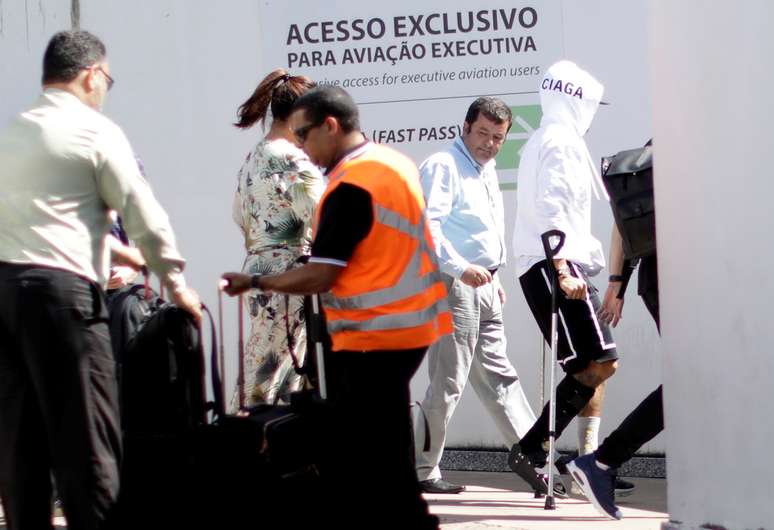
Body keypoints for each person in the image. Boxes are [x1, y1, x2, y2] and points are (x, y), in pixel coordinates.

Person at [222, 86, 451, 529]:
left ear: (331, 125)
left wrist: (257, 280)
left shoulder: (350, 185)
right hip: (409, 327)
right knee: (384, 443)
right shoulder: (392, 162)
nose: (302, 146)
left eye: (305, 134)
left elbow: (322, 273)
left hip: (371, 333)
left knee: (358, 451)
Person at [0, 30, 201, 530]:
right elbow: (142, 213)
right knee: (87, 436)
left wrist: (114, 250)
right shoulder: (94, 131)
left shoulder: (13, 132)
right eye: (107, 78)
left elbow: (43, 218)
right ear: (92, 74)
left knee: (20, 440)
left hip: (5, 296)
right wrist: (176, 283)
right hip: (64, 297)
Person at [413, 97, 538, 494]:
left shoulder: (485, 168)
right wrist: (460, 268)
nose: (489, 143)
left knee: (501, 376)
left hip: (483, 284)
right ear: (465, 127)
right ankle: (421, 471)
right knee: (448, 382)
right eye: (482, 133)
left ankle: (535, 458)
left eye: (498, 137)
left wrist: (493, 274)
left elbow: (481, 230)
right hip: (454, 283)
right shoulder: (443, 165)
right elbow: (427, 227)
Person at [509, 60, 619, 496]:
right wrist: (561, 269)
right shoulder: (558, 141)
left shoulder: (551, 138)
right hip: (553, 263)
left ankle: (539, 450)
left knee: (594, 363)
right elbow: (552, 205)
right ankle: (533, 449)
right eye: (591, 102)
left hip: (556, 261)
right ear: (576, 99)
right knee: (599, 361)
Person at [567, 176, 663, 520]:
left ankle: (602, 461)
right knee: (694, 380)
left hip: (705, 277)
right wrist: (616, 283)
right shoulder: (670, 145)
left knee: (701, 382)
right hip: (674, 278)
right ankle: (602, 461)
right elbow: (625, 216)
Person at [231, 68, 323, 406]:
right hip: (289, 274)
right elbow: (318, 214)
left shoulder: (256, 154)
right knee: (272, 376)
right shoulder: (291, 158)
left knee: (273, 369)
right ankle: (238, 448)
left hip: (259, 266)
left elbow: (238, 213)